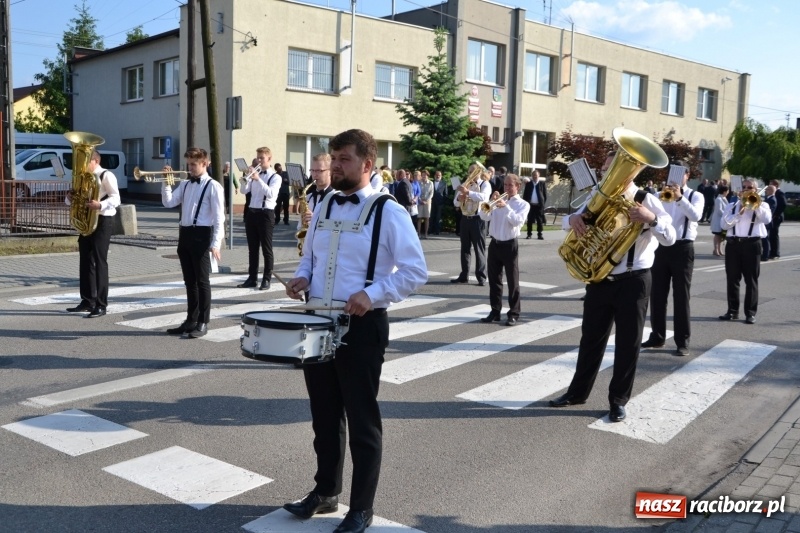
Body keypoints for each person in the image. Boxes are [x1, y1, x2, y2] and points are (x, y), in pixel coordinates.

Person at [284, 129, 427, 533]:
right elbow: (310, 256)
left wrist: (374, 293)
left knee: (362, 420)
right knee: (324, 417)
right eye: (333, 158)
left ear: (367, 164)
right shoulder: (326, 201)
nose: (334, 166)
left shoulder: (389, 211)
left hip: (362, 327)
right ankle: (326, 491)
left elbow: (416, 271)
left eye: (343, 159)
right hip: (319, 323)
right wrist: (301, 278)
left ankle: (361, 507)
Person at [549, 152, 676, 423]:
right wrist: (571, 220)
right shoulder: (599, 195)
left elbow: (670, 236)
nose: (607, 173)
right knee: (590, 340)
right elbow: (570, 220)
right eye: (606, 168)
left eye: (612, 168)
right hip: (599, 279)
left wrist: (650, 218)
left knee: (628, 344)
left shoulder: (645, 198)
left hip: (635, 280)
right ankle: (577, 393)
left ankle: (618, 401)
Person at [641, 164, 704, 356]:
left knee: (681, 296)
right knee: (657, 294)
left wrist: (679, 198)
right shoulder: (661, 194)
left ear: (687, 175)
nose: (674, 179)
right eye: (671, 175)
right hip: (661, 247)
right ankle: (657, 336)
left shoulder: (695, 196)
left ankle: (682, 341)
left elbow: (696, 216)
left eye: (679, 174)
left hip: (683, 248)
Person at [161, 148, 224, 338]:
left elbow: (220, 218)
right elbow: (169, 202)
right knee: (189, 282)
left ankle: (203, 322)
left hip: (202, 235)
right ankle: (191, 319)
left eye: (194, 164)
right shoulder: (186, 184)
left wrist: (216, 244)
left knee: (202, 282)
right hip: (185, 234)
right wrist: (166, 184)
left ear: (205, 164)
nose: (190, 168)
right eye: (188, 164)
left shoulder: (214, 186)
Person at [65, 150, 121, 318]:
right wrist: (69, 197)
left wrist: (100, 205)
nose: (81, 166)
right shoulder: (82, 178)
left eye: (85, 161)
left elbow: (117, 198)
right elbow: (69, 201)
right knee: (85, 261)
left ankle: (101, 304)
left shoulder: (106, 175)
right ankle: (87, 301)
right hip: (86, 221)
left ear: (95, 161)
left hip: (102, 221)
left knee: (99, 261)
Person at [719, 178, 772, 325]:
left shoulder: (763, 204)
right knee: (732, 279)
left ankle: (750, 313)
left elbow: (767, 219)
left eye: (750, 187)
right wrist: (739, 213)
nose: (747, 189)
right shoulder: (732, 205)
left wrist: (755, 205)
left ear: (755, 190)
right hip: (733, 244)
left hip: (752, 244)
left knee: (751, 280)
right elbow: (724, 225)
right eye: (744, 187)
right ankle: (732, 311)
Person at [478, 173, 529, 326]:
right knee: (494, 281)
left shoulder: (522, 204)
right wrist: (490, 202)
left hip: (510, 245)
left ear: (517, 187)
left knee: (513, 281)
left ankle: (514, 313)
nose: (506, 188)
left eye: (510, 185)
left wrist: (505, 206)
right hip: (495, 244)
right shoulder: (498, 201)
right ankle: (495, 311)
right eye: (505, 185)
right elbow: (483, 216)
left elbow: (517, 221)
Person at [240, 147, 280, 290]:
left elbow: (270, 194)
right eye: (258, 157)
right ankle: (252, 278)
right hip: (252, 213)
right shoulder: (255, 174)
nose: (259, 160)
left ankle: (267, 279)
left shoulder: (276, 177)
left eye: (262, 158)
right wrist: (246, 178)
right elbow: (244, 191)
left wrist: (258, 179)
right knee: (252, 249)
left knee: (266, 249)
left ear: (269, 159)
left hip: (265, 214)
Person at [452, 164, 491, 286]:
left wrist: (468, 193)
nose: (470, 175)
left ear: (479, 173)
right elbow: (455, 203)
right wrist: (460, 198)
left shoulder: (485, 184)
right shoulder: (465, 185)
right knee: (465, 248)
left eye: (473, 172)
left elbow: (484, 197)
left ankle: (481, 277)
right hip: (465, 219)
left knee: (479, 249)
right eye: (469, 172)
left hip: (478, 219)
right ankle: (464, 275)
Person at [522, 169, 547, 240]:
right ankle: (529, 234)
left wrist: (542, 203)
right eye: (533, 175)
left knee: (539, 221)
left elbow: (545, 195)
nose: (535, 176)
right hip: (530, 205)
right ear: (532, 176)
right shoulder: (528, 184)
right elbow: (525, 195)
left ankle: (540, 234)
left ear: (539, 175)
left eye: (536, 175)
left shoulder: (542, 184)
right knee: (529, 220)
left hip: (539, 205)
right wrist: (525, 204)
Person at [768, 179, 786, 259]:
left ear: (776, 185)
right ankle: (771, 252)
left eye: (771, 185)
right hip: (773, 217)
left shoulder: (779, 193)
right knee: (771, 234)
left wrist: (776, 215)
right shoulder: (775, 193)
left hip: (777, 217)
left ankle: (775, 253)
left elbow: (783, 204)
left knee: (774, 235)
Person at [710, 184, 729, 256]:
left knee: (722, 236)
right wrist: (726, 215)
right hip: (718, 220)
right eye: (727, 191)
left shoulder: (724, 198)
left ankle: (720, 249)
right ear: (724, 191)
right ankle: (716, 249)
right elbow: (719, 210)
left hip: (723, 220)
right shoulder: (718, 199)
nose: (728, 192)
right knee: (717, 235)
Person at [762, 185, 777, 261]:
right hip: (765, 222)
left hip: (767, 222)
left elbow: (770, 212)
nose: (766, 191)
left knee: (765, 238)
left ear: (771, 190)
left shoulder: (772, 200)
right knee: (764, 238)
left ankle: (765, 255)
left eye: (767, 189)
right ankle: (764, 254)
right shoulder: (768, 198)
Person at [417, 169, 433, 239]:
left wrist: (427, 200)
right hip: (420, 202)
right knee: (419, 218)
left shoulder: (431, 183)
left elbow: (431, 193)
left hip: (427, 202)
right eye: (422, 175)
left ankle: (426, 234)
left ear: (427, 176)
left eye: (425, 175)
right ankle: (419, 233)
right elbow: (417, 192)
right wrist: (420, 200)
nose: (424, 176)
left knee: (427, 218)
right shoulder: (418, 182)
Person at [430, 170, 447, 235]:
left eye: (439, 175)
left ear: (441, 176)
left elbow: (446, 194)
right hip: (432, 202)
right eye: (436, 175)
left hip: (440, 203)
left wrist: (443, 201)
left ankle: (437, 231)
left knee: (438, 217)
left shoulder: (444, 183)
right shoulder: (431, 183)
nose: (437, 176)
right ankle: (431, 230)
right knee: (432, 216)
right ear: (434, 176)